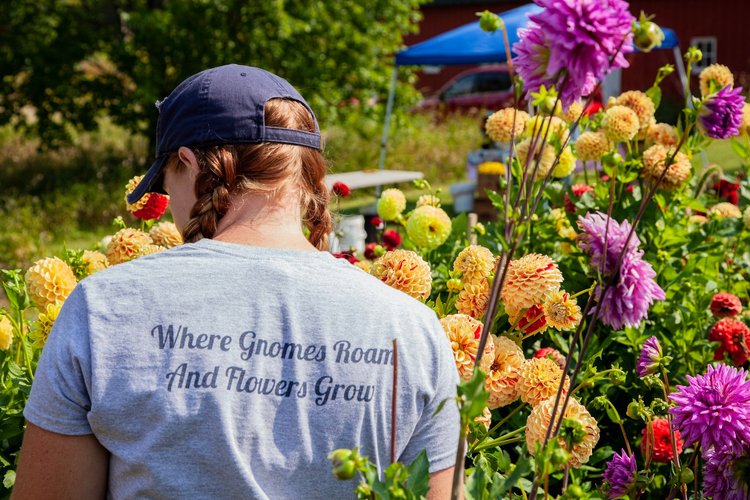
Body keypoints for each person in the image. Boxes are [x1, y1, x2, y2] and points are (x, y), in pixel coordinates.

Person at [12, 64, 460, 499]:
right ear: (306, 175)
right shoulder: (412, 329)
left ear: (188, 162)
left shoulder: (102, 308)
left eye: (168, 187)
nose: (170, 209)